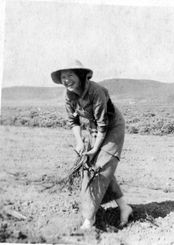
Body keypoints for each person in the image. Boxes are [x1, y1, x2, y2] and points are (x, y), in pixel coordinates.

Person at [51, 60, 133, 230]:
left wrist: (95, 149)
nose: (66, 80)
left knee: (100, 168)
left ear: (80, 76)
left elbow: (103, 123)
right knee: (92, 166)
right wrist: (80, 142)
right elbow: (73, 121)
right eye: (63, 77)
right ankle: (125, 207)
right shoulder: (68, 95)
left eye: (70, 75)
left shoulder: (96, 91)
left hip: (112, 127)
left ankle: (89, 220)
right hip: (94, 128)